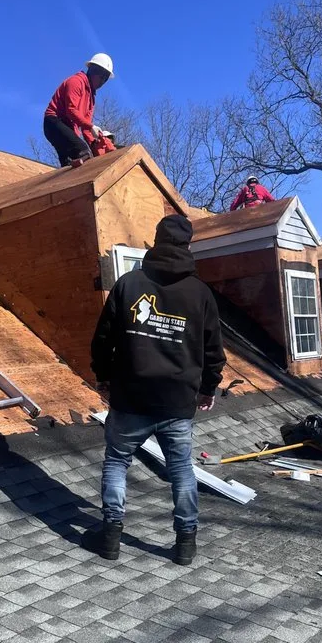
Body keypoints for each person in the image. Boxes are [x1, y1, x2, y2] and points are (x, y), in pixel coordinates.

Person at [86, 214, 226, 565]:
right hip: (177, 401)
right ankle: (185, 544)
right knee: (181, 469)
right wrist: (208, 388)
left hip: (131, 398)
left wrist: (104, 377)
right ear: (188, 245)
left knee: (117, 462)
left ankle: (111, 537)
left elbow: (102, 339)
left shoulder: (129, 284)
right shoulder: (200, 294)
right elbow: (213, 351)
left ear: (156, 240)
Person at [44, 54, 116, 167]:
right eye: (102, 77)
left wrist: (95, 145)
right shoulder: (76, 81)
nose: (103, 81)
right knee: (83, 152)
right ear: (93, 70)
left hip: (67, 128)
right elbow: (71, 110)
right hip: (54, 122)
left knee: (68, 165)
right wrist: (91, 126)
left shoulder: (91, 98)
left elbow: (86, 128)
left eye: (106, 79)